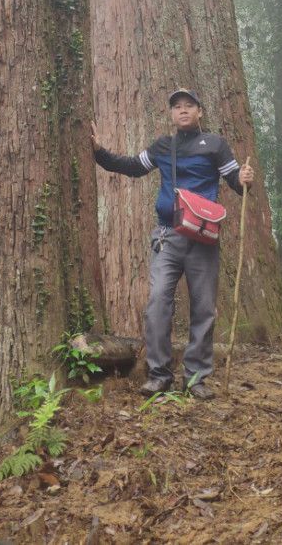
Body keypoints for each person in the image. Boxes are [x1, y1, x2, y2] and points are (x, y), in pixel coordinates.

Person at [90, 88, 254, 400]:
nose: (182, 111)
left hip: (204, 238)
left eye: (189, 106)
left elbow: (235, 181)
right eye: (177, 107)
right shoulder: (163, 146)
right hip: (167, 235)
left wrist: (245, 179)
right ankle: (159, 375)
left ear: (199, 111)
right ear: (171, 113)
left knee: (204, 307)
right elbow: (133, 167)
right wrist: (99, 152)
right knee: (157, 303)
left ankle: (196, 379)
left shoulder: (215, 145)